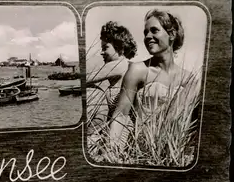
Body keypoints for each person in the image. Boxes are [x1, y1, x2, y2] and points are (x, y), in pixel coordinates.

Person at [108, 9, 200, 158]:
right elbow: (120, 116)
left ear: (171, 35)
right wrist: (112, 155)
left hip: (175, 154)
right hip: (141, 152)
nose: (147, 36)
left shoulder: (189, 79)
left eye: (154, 31)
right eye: (145, 33)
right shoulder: (138, 70)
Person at [86, 21, 137, 134]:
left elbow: (86, 78)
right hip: (122, 123)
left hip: (122, 127)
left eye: (105, 48)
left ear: (120, 48)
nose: (102, 52)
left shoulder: (118, 65)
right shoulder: (127, 65)